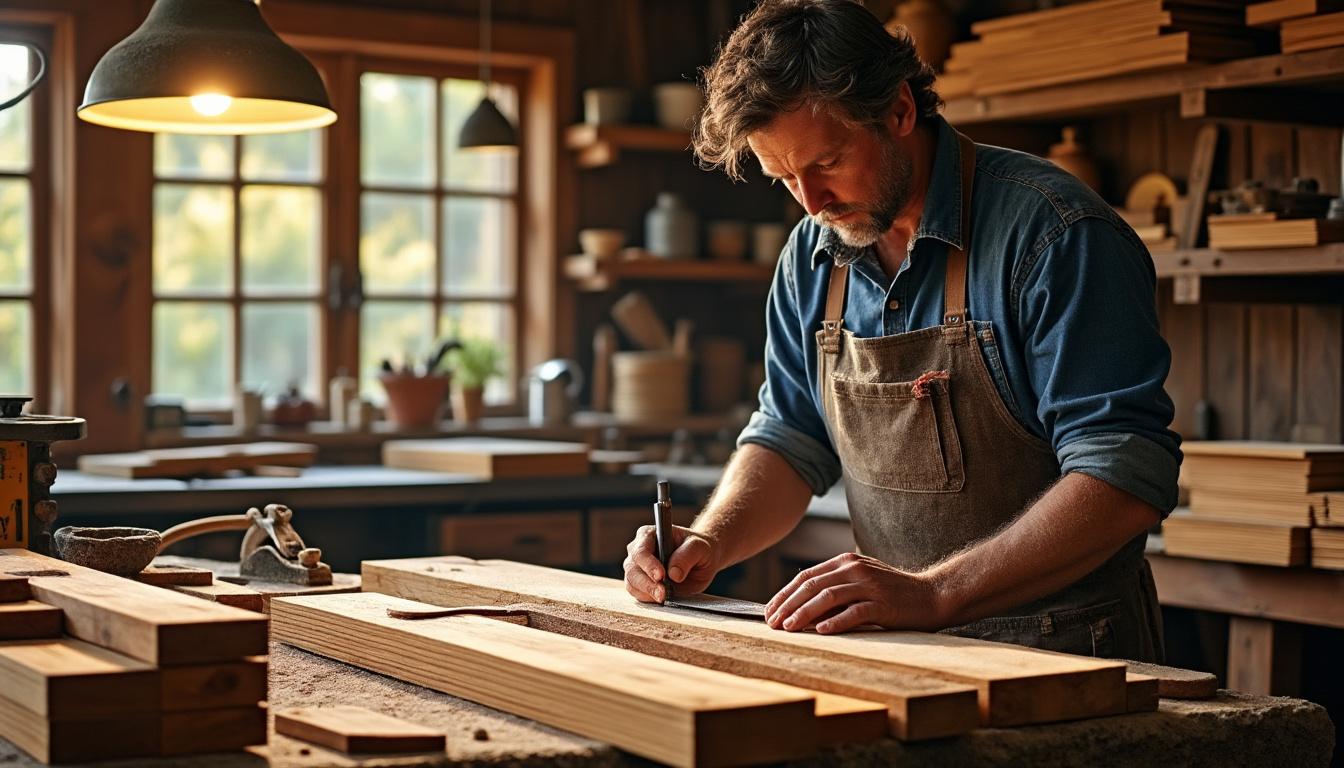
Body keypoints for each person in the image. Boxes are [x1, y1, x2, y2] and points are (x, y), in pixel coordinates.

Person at [622, 0, 1181, 661]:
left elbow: (1123, 475)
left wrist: (936, 593)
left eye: (827, 162)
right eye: (785, 179)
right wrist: (709, 540)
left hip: (1069, 651)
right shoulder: (812, 254)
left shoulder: (1055, 235)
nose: (812, 203)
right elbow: (791, 437)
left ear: (899, 111)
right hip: (905, 650)